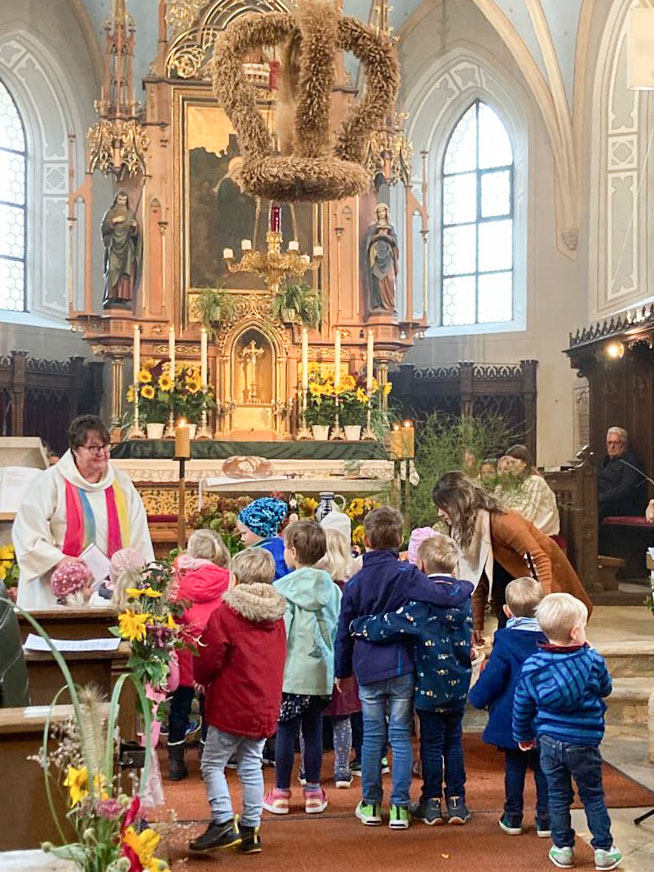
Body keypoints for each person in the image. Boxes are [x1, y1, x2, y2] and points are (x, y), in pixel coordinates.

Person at [334, 506, 461, 830]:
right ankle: (402, 808)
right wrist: (465, 588)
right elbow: (439, 594)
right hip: (403, 665)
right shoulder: (408, 575)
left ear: (364, 539)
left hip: (367, 668)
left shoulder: (356, 581)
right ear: (400, 539)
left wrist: (341, 670)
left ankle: (372, 804)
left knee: (373, 738)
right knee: (402, 736)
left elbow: (344, 629)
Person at [513, 593, 622, 871]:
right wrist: (592, 653)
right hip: (584, 742)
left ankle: (562, 849)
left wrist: (523, 735)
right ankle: (604, 849)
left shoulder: (533, 665)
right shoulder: (591, 661)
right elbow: (606, 688)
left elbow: (522, 704)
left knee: (558, 795)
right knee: (593, 795)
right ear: (576, 631)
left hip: (549, 741)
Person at [189, 548, 287, 856]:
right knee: (251, 765)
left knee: (213, 763)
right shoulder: (277, 618)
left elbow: (208, 658)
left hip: (232, 704)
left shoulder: (226, 615)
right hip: (263, 704)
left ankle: (222, 821)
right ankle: (250, 829)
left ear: (234, 578)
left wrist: (202, 678)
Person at [13, 415, 154, 610]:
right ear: (75, 450)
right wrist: (60, 560)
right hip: (56, 590)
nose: (102, 453)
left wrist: (141, 572)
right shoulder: (50, 483)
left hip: (110, 591)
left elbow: (140, 537)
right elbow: (27, 535)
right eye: (93, 448)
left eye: (105, 446)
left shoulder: (121, 485)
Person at [431, 471, 592, 640]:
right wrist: (476, 624)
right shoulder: (469, 530)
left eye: (443, 506)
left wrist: (545, 605)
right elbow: (477, 576)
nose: (439, 513)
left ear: (459, 503)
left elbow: (538, 558)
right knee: (506, 641)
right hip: (511, 592)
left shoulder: (502, 521)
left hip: (541, 588)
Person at [263, 520, 341, 815]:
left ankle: (281, 792)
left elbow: (280, 634)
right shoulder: (332, 590)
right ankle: (313, 792)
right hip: (322, 671)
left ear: (292, 552)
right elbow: (336, 630)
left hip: (291, 673)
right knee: (313, 732)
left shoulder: (282, 589)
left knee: (285, 733)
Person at [468, 577, 550, 837]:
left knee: (514, 767)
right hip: (546, 715)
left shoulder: (505, 640)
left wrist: (477, 697)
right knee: (543, 767)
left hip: (514, 715)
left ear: (506, 610)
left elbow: (494, 677)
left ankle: (513, 816)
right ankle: (546, 819)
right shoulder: (552, 637)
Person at [167, 529, 231, 781]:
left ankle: (175, 762)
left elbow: (170, 613)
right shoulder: (227, 578)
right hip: (211, 650)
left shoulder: (177, 578)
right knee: (210, 708)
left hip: (183, 649)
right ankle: (208, 760)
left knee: (179, 706)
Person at [315, 528, 362, 788]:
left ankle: (308, 770)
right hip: (344, 658)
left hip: (316, 658)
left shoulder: (312, 587)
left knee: (310, 718)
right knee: (342, 718)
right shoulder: (349, 588)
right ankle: (342, 769)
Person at [500, 445, 560, 536]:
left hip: (541, 533)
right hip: (521, 531)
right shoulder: (514, 483)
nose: (510, 467)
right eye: (508, 464)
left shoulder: (535, 481)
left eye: (513, 462)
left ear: (524, 464)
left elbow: (527, 515)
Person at [101, 190, 142, 309]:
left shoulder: (130, 214)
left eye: (124, 200)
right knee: (112, 270)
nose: (122, 203)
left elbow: (135, 235)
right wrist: (113, 221)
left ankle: (123, 297)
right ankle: (111, 296)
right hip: (114, 246)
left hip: (127, 247)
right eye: (120, 200)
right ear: (116, 200)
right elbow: (103, 228)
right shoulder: (110, 213)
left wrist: (134, 228)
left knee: (126, 273)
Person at [598, 427, 647, 520]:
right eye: (609, 443)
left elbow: (625, 489)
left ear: (624, 444)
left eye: (616, 443)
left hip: (624, 505)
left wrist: (601, 498)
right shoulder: (606, 461)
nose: (612, 446)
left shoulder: (631, 461)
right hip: (606, 501)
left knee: (596, 510)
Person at [236, 497, 289, 579]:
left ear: (260, 531)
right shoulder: (283, 546)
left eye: (244, 533)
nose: (242, 539)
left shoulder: (258, 557)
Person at [365, 203, 399, 312]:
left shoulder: (391, 226)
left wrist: (387, 237)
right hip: (376, 254)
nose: (381, 214)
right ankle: (378, 304)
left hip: (388, 255)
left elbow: (395, 242)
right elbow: (368, 240)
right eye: (379, 212)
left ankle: (390, 304)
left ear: (386, 212)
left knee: (390, 278)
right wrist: (377, 236)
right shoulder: (373, 226)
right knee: (377, 280)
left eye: (383, 211)